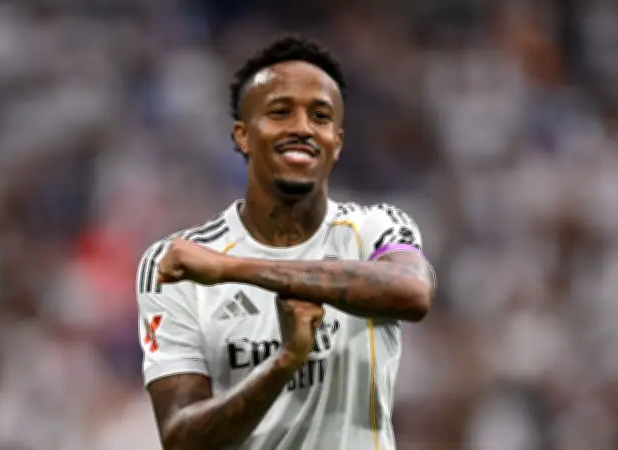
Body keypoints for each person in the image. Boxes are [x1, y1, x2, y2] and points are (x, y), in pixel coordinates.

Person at [136, 34, 436, 450]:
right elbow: (180, 438)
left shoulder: (375, 228)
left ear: (337, 143)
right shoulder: (173, 263)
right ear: (242, 136)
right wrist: (285, 361)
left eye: (320, 116)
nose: (301, 128)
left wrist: (234, 270)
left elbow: (412, 292)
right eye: (280, 112)